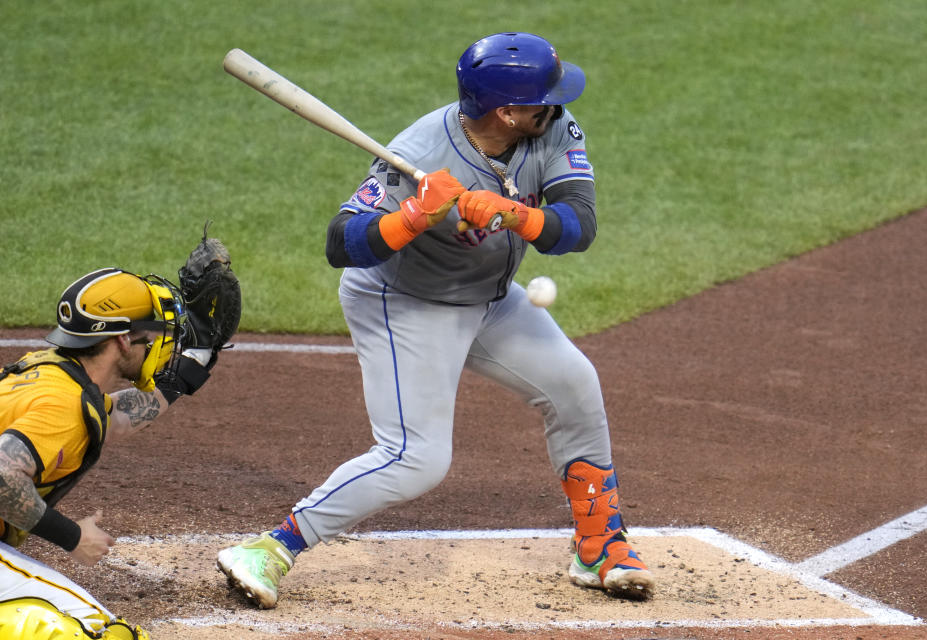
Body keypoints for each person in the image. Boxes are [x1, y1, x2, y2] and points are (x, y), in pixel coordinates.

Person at [217, 31, 655, 609]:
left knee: (574, 385)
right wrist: (414, 216)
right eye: (544, 98)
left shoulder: (553, 128)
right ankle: (272, 548)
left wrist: (515, 213)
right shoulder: (420, 151)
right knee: (416, 459)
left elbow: (578, 226)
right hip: (404, 304)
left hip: (490, 300)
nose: (557, 103)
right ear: (508, 111)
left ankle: (599, 545)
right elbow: (340, 244)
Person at [0, 255, 237, 637]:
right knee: (103, 632)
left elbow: (116, 415)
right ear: (123, 340)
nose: (160, 343)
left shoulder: (47, 373)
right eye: (153, 333)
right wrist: (73, 537)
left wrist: (193, 365)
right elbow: (1, 475)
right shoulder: (64, 404)